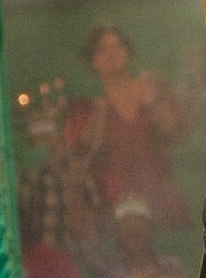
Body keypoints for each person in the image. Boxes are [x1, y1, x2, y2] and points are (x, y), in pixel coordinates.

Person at [64, 24, 189, 227]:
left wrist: (153, 103)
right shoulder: (85, 105)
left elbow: (177, 134)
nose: (112, 54)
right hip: (110, 201)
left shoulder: (152, 88)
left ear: (128, 52)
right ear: (92, 60)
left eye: (118, 47)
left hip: (159, 195)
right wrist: (98, 115)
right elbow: (78, 152)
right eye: (102, 49)